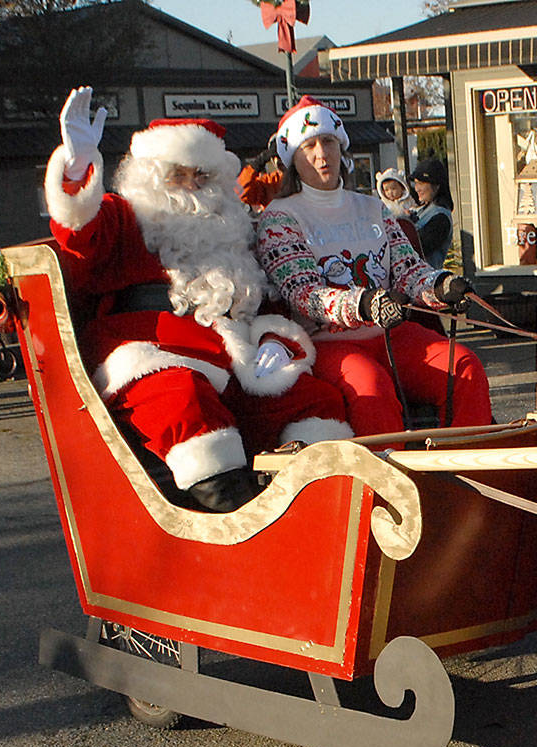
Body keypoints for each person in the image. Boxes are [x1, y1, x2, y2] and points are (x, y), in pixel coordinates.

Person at [44, 87, 351, 513]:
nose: (192, 187)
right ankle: (237, 522)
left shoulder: (233, 227)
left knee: (314, 400)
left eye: (202, 177)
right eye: (178, 175)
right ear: (151, 178)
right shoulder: (127, 217)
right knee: (185, 401)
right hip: (155, 354)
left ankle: (319, 511)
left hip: (234, 352)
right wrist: (77, 168)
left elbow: (265, 297)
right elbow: (79, 234)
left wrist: (275, 342)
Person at [254, 98, 492, 436]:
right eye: (309, 146)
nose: (322, 155)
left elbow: (409, 270)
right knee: (372, 388)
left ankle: (470, 467)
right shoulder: (280, 217)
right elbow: (304, 294)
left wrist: (440, 286)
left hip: (390, 335)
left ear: (342, 147)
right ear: (293, 158)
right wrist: (363, 303)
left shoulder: (372, 208)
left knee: (464, 365)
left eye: (329, 142)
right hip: (327, 343)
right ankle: (385, 482)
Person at [409, 158, 454, 270]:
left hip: (427, 282)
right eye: (415, 183)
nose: (417, 188)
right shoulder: (422, 210)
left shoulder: (440, 218)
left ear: (437, 186)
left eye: (421, 183)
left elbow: (418, 247)